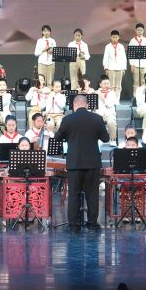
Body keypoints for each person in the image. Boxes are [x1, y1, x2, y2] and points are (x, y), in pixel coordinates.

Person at [55, 95, 109, 231]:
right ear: (87, 105)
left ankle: (74, 225)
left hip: (75, 163)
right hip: (92, 163)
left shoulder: (67, 119)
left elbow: (57, 138)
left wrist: (69, 136)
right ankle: (92, 224)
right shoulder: (97, 118)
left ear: (74, 105)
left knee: (74, 195)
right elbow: (106, 138)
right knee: (92, 195)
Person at [102, 30, 127, 100]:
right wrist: (106, 68)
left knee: (118, 85)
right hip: (111, 68)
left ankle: (117, 99)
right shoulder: (107, 46)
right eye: (113, 37)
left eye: (116, 37)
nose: (114, 39)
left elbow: (124, 58)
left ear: (118, 37)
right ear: (111, 37)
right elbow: (105, 58)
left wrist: (124, 68)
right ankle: (111, 99)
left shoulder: (121, 46)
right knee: (111, 85)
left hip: (120, 68)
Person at [128, 23, 146, 91]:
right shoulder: (132, 40)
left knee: (143, 82)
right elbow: (130, 53)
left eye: (141, 30)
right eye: (138, 30)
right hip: (135, 64)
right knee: (136, 81)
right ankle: (135, 96)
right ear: (135, 30)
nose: (139, 32)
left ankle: (142, 95)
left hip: (144, 64)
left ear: (143, 31)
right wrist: (131, 64)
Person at [96, 77, 120, 141]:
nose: (106, 85)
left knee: (111, 122)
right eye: (104, 83)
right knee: (93, 122)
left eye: (108, 83)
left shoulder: (112, 93)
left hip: (110, 114)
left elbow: (109, 104)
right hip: (99, 114)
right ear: (100, 84)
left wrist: (101, 96)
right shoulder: (96, 92)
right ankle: (97, 140)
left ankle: (113, 140)